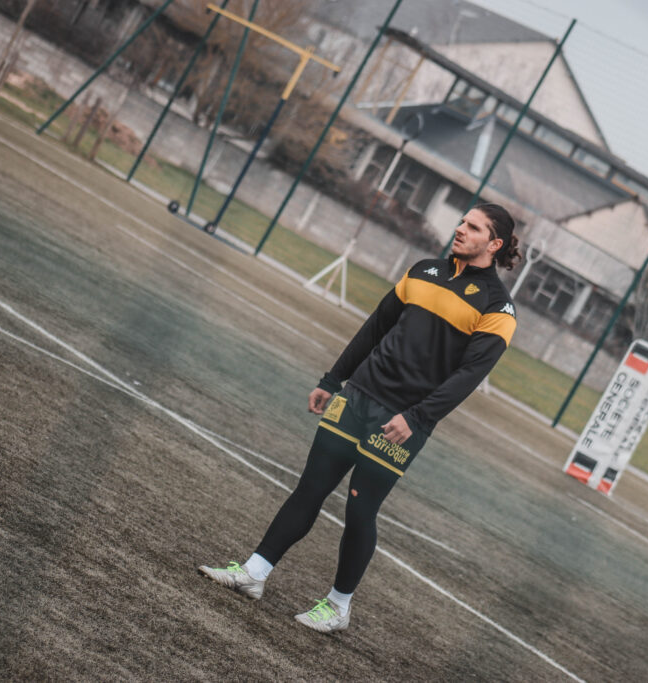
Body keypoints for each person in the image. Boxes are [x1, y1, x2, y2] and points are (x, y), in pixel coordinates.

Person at [199, 203, 521, 632]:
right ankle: (254, 573)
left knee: (360, 509)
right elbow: (375, 328)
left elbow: (469, 376)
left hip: (403, 421)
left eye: (473, 227)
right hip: (357, 396)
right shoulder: (423, 271)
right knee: (309, 488)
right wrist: (333, 379)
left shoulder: (499, 308)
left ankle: (337, 607)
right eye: (461, 221)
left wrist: (417, 417)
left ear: (494, 244)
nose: (460, 229)